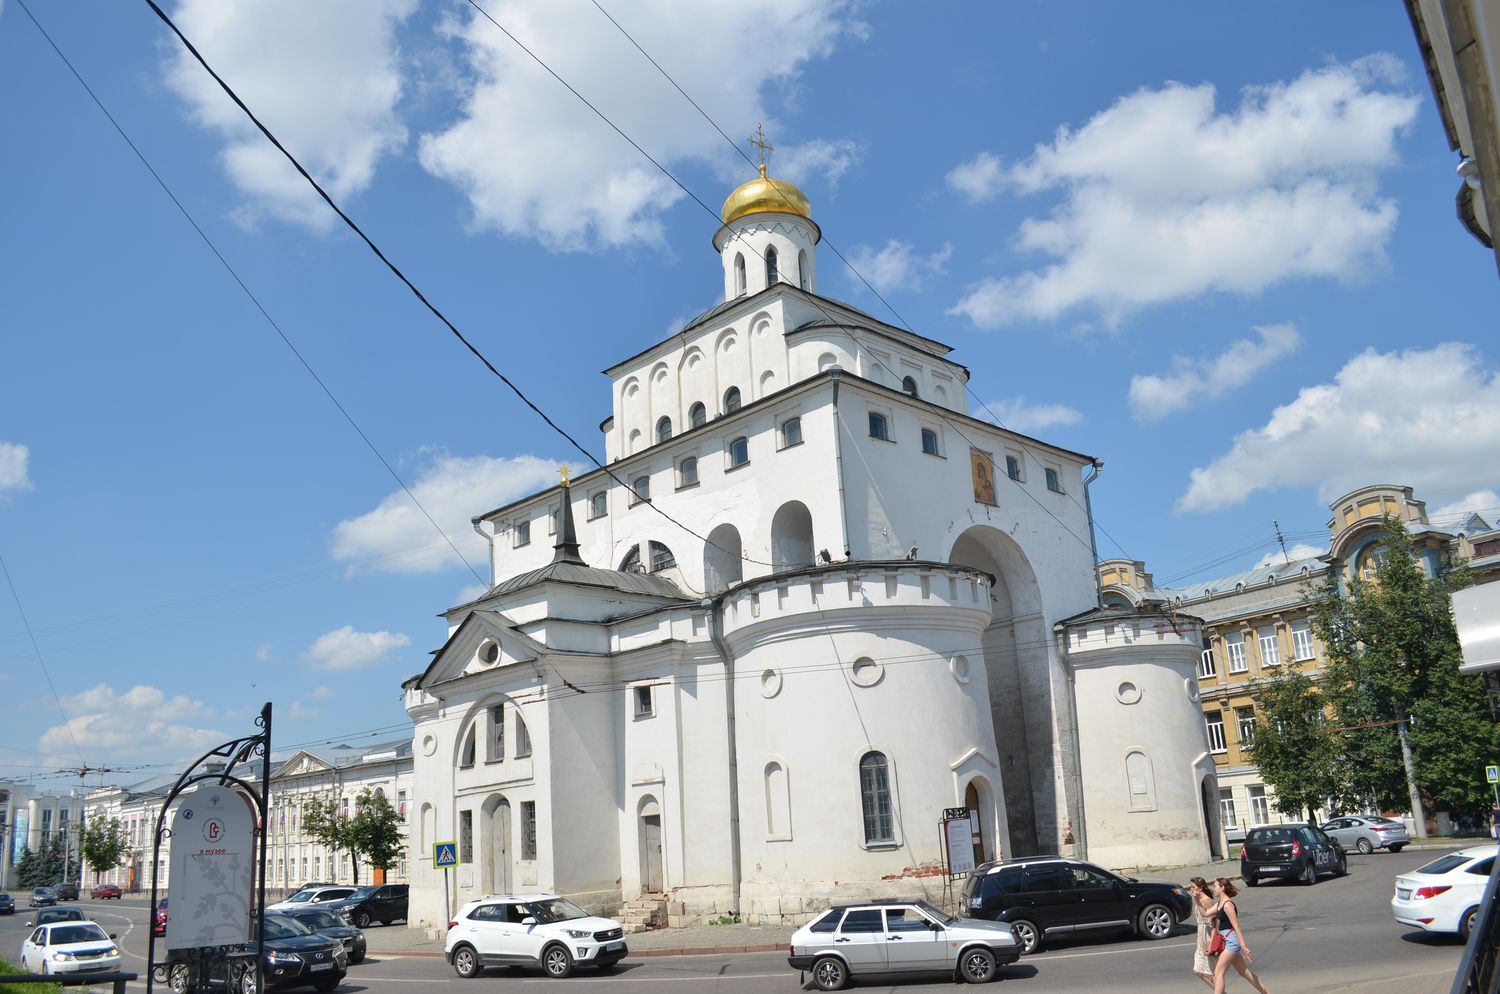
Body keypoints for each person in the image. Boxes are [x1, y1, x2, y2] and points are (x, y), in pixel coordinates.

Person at [1211, 878, 1270, 994]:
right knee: (1244, 972)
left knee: (1218, 972)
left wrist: (1243, 946)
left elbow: (1236, 926)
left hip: (1231, 941)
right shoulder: (1219, 904)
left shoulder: (1228, 905)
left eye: (1215, 886)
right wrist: (1197, 896)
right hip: (1226, 940)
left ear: (1222, 887)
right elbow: (1205, 913)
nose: (1213, 889)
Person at [1188, 877, 1218, 988]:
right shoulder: (1198, 900)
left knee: (1211, 970)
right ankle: (1220, 991)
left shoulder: (1207, 900)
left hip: (1208, 936)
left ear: (1200, 888)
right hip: (1201, 937)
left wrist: (1213, 940)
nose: (1191, 889)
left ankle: (1219, 991)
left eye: (1193, 887)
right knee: (1199, 970)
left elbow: (1214, 922)